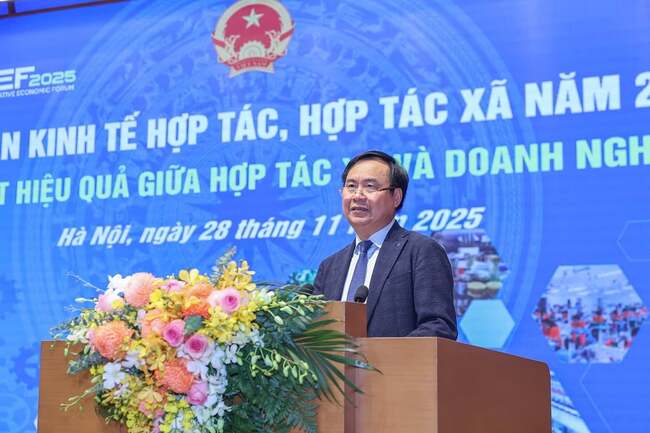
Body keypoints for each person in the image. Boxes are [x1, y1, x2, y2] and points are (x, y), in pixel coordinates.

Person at [313, 150, 457, 338]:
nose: (358, 195)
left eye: (370, 187)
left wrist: (381, 355)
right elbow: (314, 337)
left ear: (396, 196)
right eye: (351, 186)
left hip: (400, 359)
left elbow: (438, 327)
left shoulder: (421, 251)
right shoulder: (329, 267)